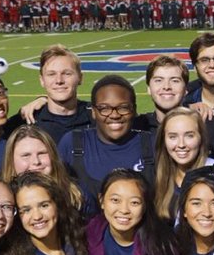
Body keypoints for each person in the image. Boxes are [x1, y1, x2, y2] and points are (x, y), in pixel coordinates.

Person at [57, 75, 153, 206]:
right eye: (104, 108)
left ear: (134, 110)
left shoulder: (151, 144)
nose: (114, 115)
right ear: (93, 112)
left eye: (123, 107)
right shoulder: (73, 143)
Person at [6, 45, 92, 144]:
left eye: (67, 73)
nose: (59, 80)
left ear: (80, 78)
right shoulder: (28, 122)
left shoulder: (97, 116)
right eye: (51, 74)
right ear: (42, 80)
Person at [153, 108, 209, 221]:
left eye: (189, 136)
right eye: (173, 137)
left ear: (201, 138)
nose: (181, 144)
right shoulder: (159, 176)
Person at [134, 54, 189, 134]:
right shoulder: (136, 126)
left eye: (175, 81)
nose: (166, 87)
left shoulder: (202, 123)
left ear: (185, 89)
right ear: (149, 89)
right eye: (159, 80)